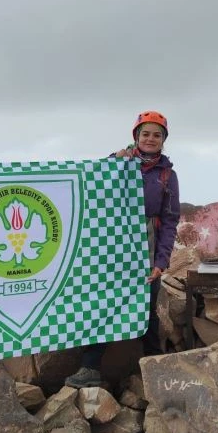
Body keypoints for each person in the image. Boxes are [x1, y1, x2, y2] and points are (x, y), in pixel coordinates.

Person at [65, 111, 180, 388]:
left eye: (157, 135)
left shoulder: (167, 175)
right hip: (112, 244)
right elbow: (90, 184)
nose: (151, 139)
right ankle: (90, 367)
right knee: (104, 301)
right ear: (136, 137)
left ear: (164, 140)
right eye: (145, 134)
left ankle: (155, 365)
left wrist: (161, 260)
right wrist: (113, 160)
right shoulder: (117, 164)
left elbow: (170, 219)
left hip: (147, 243)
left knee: (147, 304)